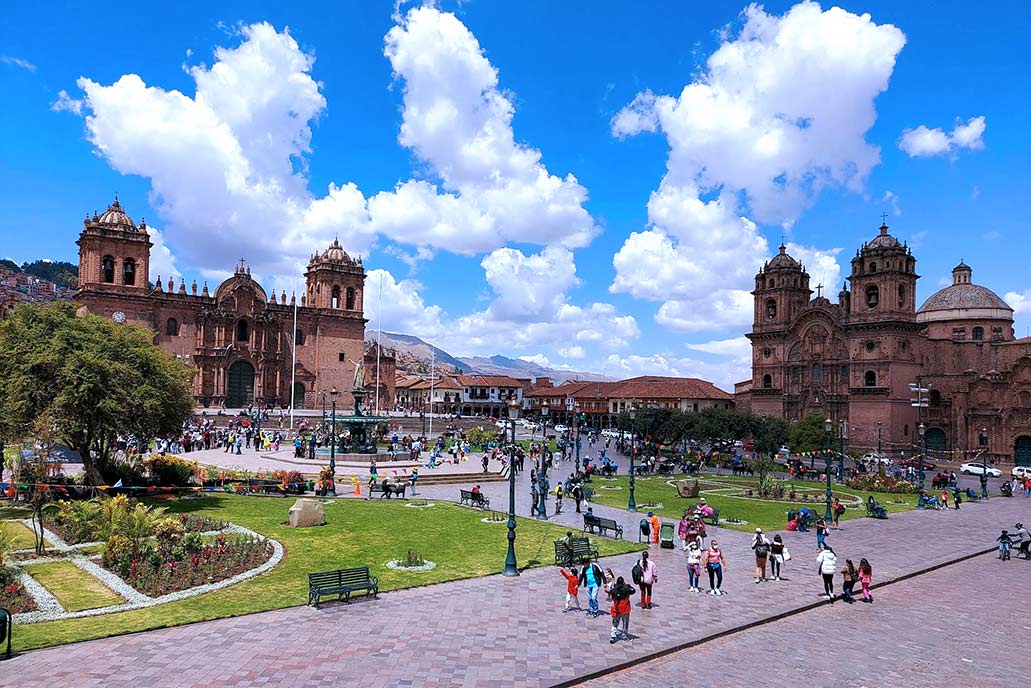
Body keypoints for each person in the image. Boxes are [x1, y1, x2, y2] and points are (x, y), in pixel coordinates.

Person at [609, 576, 636, 644]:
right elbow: (633, 590)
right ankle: (624, 636)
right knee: (625, 623)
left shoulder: (614, 590)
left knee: (615, 623)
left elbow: (610, 592)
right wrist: (628, 585)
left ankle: (613, 636)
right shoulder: (626, 589)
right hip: (625, 609)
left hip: (616, 609)